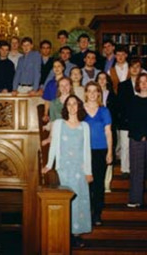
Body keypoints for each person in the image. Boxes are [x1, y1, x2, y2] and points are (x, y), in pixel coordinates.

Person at [42, 95, 93, 247]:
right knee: (65, 202)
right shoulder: (59, 123)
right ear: (66, 107)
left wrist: (88, 171)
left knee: (78, 202)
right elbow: (54, 146)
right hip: (63, 170)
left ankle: (76, 234)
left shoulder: (84, 126)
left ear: (79, 106)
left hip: (79, 169)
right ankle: (65, 232)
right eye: (69, 104)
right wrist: (49, 165)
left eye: (75, 104)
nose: (72, 107)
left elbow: (86, 150)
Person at [84, 82, 113, 225]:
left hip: (100, 151)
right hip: (84, 152)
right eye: (89, 91)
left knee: (98, 184)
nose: (92, 94)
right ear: (86, 93)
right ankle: (86, 213)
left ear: (99, 93)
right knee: (86, 184)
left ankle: (97, 213)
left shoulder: (104, 111)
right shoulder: (80, 110)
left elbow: (108, 133)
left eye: (95, 91)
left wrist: (110, 152)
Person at [127, 73, 147, 208]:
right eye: (140, 82)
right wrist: (139, 135)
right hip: (136, 138)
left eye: (146, 81)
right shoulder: (133, 100)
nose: (143, 84)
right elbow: (131, 120)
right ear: (137, 85)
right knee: (136, 169)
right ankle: (136, 199)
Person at [117, 58, 142, 178]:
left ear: (141, 69)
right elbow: (120, 105)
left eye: (137, 66)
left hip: (141, 122)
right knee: (125, 146)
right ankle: (125, 169)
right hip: (126, 121)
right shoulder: (122, 85)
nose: (135, 69)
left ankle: (138, 169)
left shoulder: (145, 84)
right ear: (129, 69)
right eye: (132, 67)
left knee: (139, 147)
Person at [96, 72, 117, 193]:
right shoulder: (91, 95)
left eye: (104, 78)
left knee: (109, 157)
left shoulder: (112, 96)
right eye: (100, 78)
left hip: (109, 129)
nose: (102, 80)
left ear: (107, 81)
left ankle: (107, 184)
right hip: (96, 131)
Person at [42, 77, 73, 145]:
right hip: (59, 133)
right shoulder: (53, 103)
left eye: (66, 85)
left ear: (70, 86)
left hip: (73, 134)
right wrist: (50, 137)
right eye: (61, 85)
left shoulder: (76, 101)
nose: (64, 88)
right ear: (58, 88)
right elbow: (53, 121)